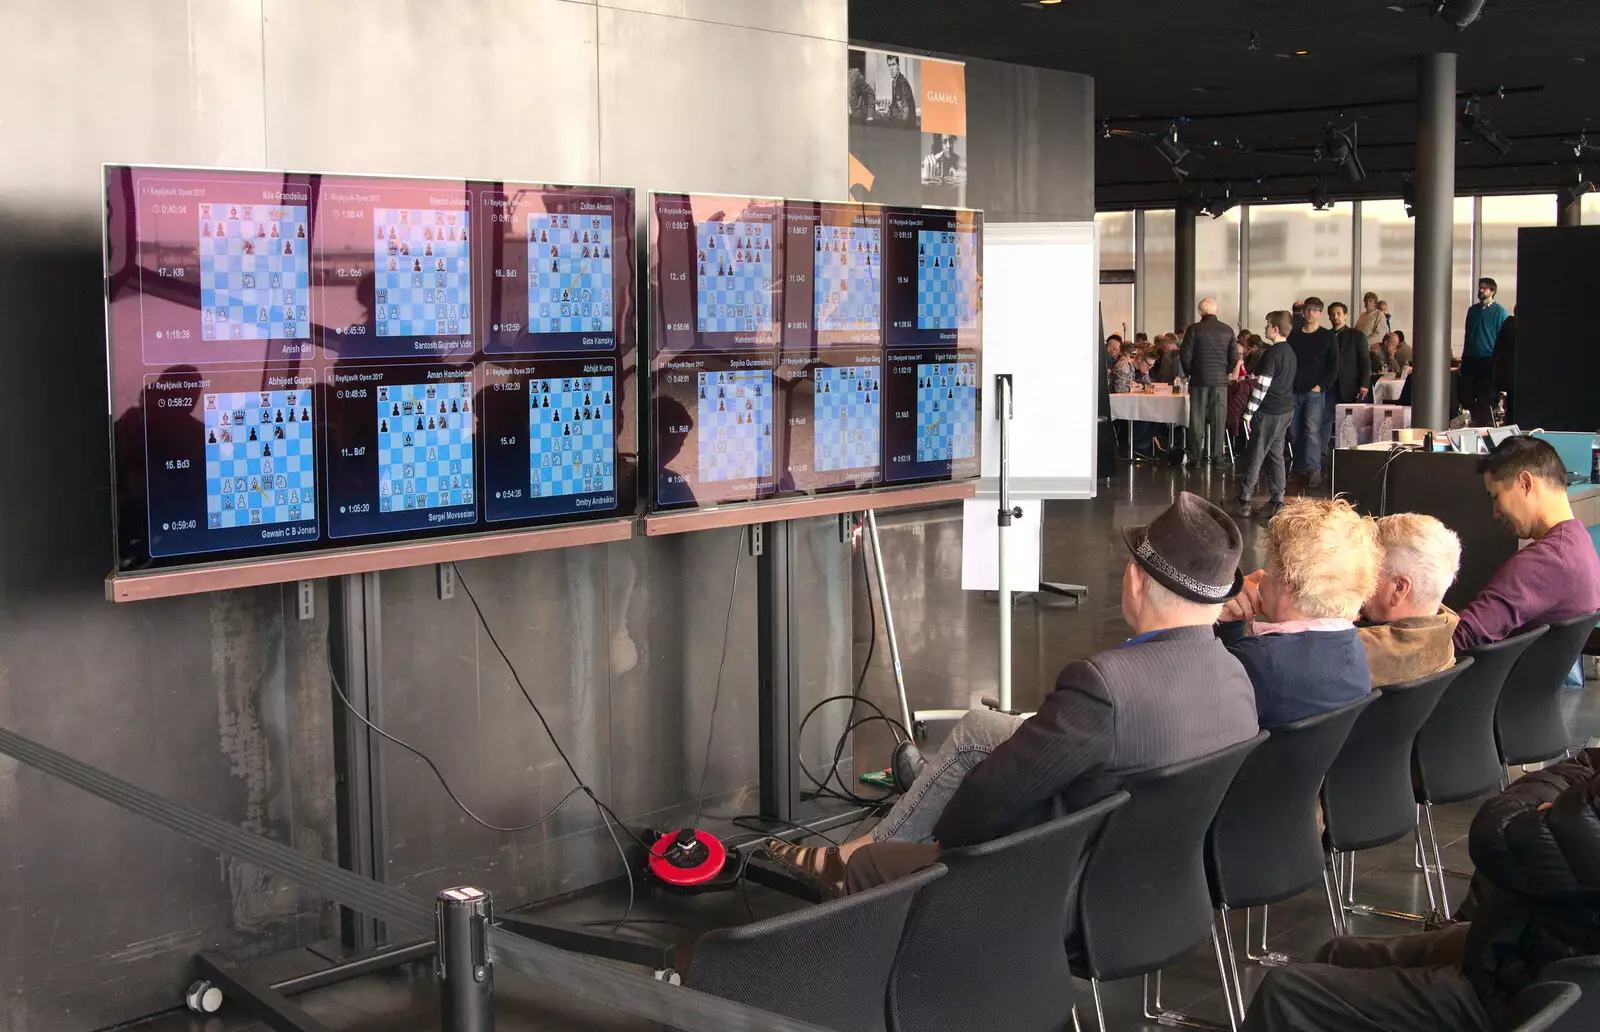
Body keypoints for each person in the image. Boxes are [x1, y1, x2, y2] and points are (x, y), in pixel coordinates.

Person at [762, 493, 1260, 897]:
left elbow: (987, 800)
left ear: (1134, 580)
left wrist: (943, 841)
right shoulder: (1239, 682)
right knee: (985, 733)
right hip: (1166, 890)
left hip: (1060, 892)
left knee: (876, 864)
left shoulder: (1105, 686)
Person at [1243, 750, 1600, 1032]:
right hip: (1523, 940)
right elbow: (1584, 761)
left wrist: (1548, 806)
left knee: (1284, 994)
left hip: (1529, 991)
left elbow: (1501, 833)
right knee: (1338, 952)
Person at [1217, 498, 1377, 726]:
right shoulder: (1355, 652)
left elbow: (1193, 697)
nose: (1261, 574)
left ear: (1286, 584)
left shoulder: (1256, 662)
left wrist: (1221, 620)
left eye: (1269, 566)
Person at [1452, 435, 1600, 652]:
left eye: (1496, 497)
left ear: (1525, 483)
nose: (1495, 513)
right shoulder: (1579, 542)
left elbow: (1463, 638)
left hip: (1490, 683)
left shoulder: (1544, 562)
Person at [1360, 513, 1462, 687]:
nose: (1356, 580)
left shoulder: (1358, 653)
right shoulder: (1444, 633)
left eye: (1365, 570)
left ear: (1399, 588)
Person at [1233, 311, 1297, 519]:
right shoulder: (1290, 352)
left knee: (1256, 453)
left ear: (1276, 329)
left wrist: (1248, 413)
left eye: (1268, 324)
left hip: (1269, 411)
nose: (1265, 328)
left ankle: (1244, 498)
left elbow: (1262, 386)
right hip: (1285, 410)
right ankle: (1278, 497)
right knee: (1276, 454)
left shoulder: (1273, 353)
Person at [1180, 297, 1239, 468]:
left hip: (1199, 381)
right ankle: (1218, 458)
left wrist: (1191, 372)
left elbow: (1185, 355)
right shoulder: (1228, 330)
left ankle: (1195, 458)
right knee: (1219, 419)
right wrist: (1224, 371)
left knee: (1196, 419)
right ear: (1216, 311)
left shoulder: (1194, 329)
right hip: (1220, 382)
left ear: (1200, 312)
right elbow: (1234, 357)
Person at [1289, 296, 1339, 488]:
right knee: (1294, 431)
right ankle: (1300, 468)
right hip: (1294, 391)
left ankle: (1313, 469)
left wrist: (1322, 386)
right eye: (1307, 310)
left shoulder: (1327, 337)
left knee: (1311, 430)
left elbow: (1334, 366)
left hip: (1314, 392)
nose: (1310, 314)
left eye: (1314, 310)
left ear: (1320, 314)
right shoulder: (1294, 336)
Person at [1461, 277, 1509, 426]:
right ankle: (1474, 420)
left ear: (1492, 291)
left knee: (1485, 395)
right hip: (1470, 357)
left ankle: (1484, 423)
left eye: (1484, 288)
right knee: (1467, 394)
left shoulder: (1499, 312)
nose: (1481, 290)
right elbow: (1468, 333)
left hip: (1488, 358)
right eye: (1480, 287)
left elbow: (1504, 337)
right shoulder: (1472, 310)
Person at [884, 54, 917, 127]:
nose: (891, 68)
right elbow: (895, 103)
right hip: (899, 122)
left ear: (898, 66)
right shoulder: (894, 82)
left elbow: (905, 114)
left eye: (893, 65)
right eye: (889, 65)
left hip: (907, 128)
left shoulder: (902, 83)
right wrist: (889, 108)